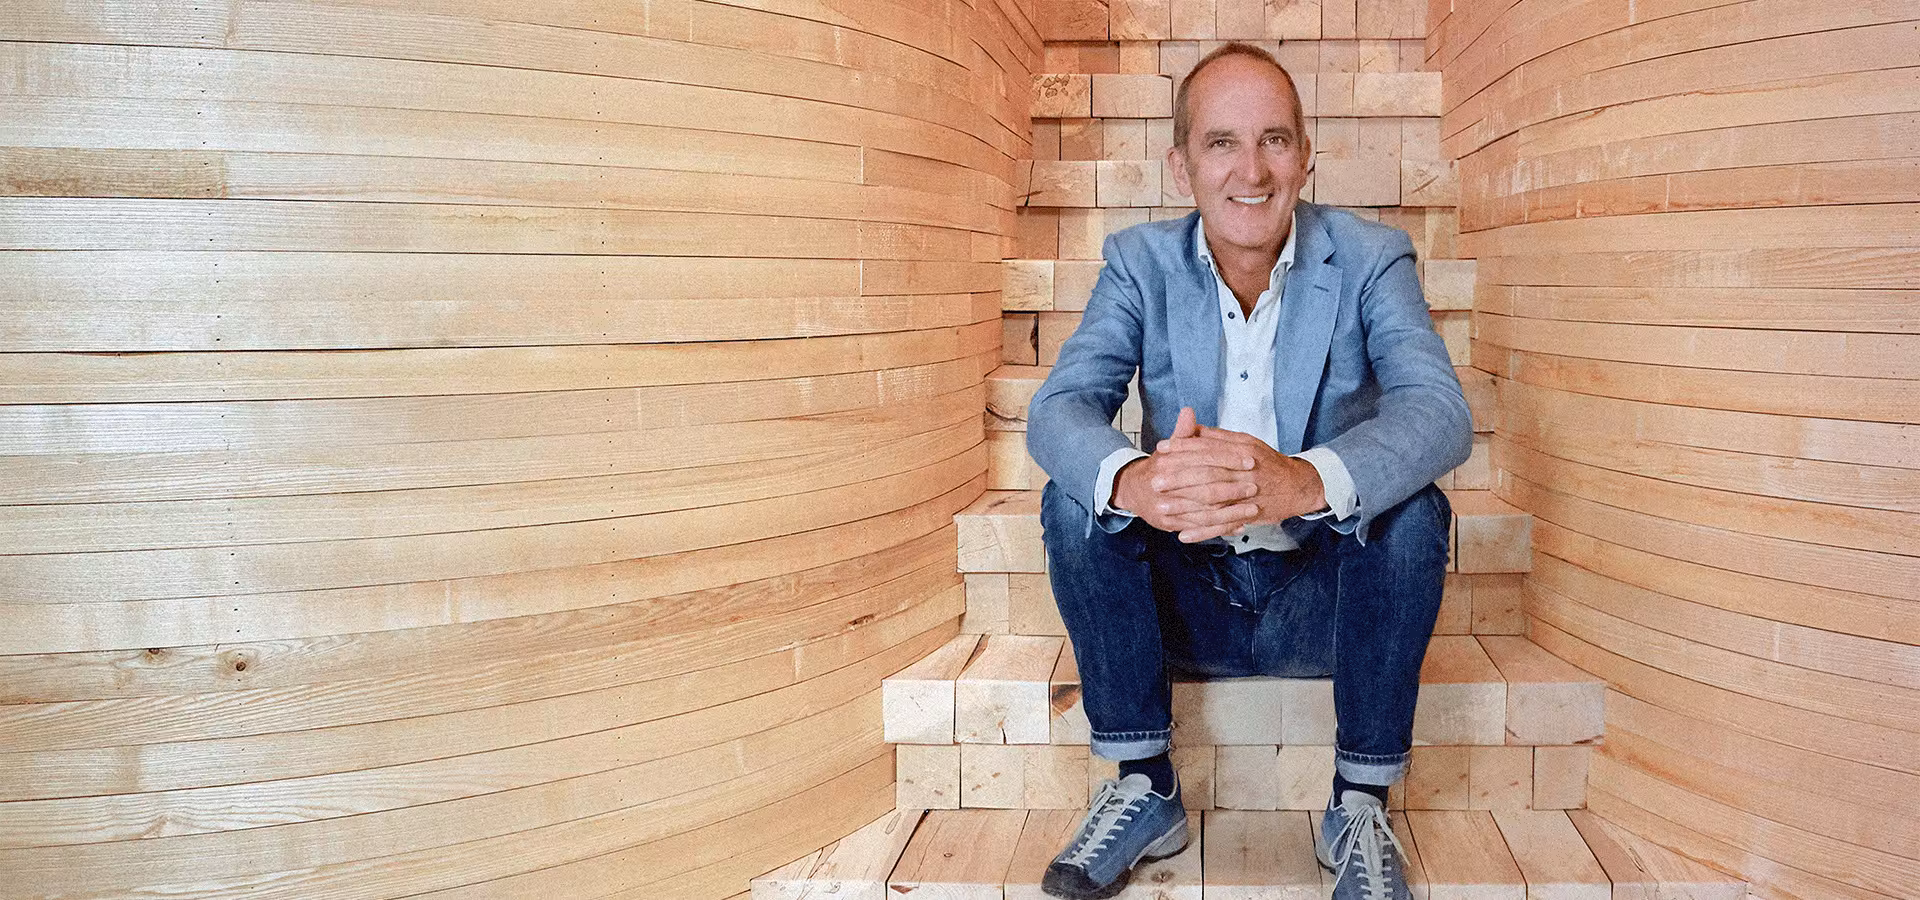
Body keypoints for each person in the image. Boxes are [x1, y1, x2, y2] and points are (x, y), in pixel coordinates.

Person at [1024, 42, 1472, 900]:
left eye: (1274, 140)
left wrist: (1303, 479)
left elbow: (1440, 412)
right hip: (1183, 603)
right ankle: (1144, 785)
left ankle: (1359, 801)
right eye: (1222, 143)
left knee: (1414, 511)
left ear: (1305, 156)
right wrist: (1138, 482)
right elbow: (1059, 410)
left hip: (1324, 604)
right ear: (1182, 166)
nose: (1252, 171)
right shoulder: (1139, 262)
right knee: (1079, 497)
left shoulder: (1371, 256)